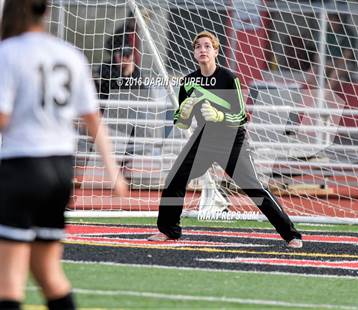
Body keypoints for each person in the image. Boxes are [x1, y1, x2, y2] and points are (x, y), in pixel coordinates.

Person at [0, 1, 128, 309]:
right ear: (46, 11)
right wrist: (114, 172)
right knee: (48, 272)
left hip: (22, 165)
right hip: (60, 170)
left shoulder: (8, 53)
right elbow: (93, 120)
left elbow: (3, 118)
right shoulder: (70, 55)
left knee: (8, 283)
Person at [148, 31, 303, 248]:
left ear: (216, 51)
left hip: (231, 140)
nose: (203, 50)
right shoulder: (188, 81)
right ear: (194, 53)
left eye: (207, 46)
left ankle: (291, 234)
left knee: (253, 187)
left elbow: (241, 116)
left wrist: (220, 115)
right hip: (203, 139)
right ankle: (169, 230)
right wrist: (184, 110)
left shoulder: (229, 78)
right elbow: (181, 123)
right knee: (174, 180)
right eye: (198, 46)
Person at [306, 13, 355, 91]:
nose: (332, 23)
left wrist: (333, 64)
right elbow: (318, 54)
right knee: (311, 72)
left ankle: (326, 94)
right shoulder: (324, 33)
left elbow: (347, 55)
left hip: (344, 64)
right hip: (327, 63)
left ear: (339, 21)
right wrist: (321, 63)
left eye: (334, 20)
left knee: (336, 73)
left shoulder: (347, 33)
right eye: (330, 20)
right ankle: (317, 93)